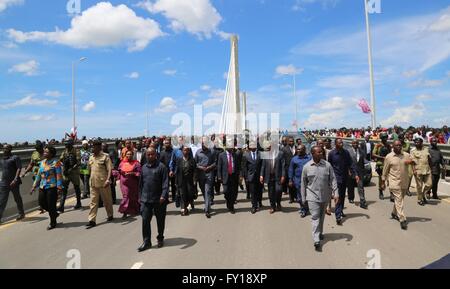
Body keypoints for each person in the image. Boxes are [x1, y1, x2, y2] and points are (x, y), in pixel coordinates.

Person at [300, 146, 338, 252]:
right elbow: (303, 184)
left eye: (322, 152)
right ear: (312, 153)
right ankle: (316, 239)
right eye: (318, 152)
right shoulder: (306, 167)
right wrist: (303, 198)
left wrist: (336, 193)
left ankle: (320, 232)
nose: (321, 153)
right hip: (312, 197)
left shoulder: (327, 165)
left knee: (321, 217)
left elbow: (333, 179)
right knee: (315, 217)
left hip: (325, 196)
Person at [138, 148, 169, 252]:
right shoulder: (143, 168)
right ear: (146, 155)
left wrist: (163, 196)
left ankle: (160, 237)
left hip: (159, 200)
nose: (150, 156)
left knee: (160, 220)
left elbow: (165, 183)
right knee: (145, 220)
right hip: (146, 199)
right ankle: (146, 241)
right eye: (148, 154)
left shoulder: (162, 167)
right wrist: (140, 198)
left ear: (156, 155)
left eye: (152, 154)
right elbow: (141, 184)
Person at [382, 140, 414, 230]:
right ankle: (402, 219)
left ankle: (394, 212)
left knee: (400, 199)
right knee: (399, 199)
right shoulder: (389, 157)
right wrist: (383, 182)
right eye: (397, 145)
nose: (399, 147)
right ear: (393, 146)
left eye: (400, 145)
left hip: (404, 181)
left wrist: (411, 163)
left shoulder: (406, 155)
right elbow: (385, 171)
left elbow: (413, 161)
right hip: (394, 182)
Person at [30, 146, 63, 230]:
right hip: (42, 186)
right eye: (44, 152)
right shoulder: (42, 162)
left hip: (52, 187)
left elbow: (59, 176)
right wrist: (34, 186)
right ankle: (54, 213)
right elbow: (38, 175)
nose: (44, 153)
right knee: (42, 203)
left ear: (51, 154)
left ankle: (53, 222)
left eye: (46, 152)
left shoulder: (56, 162)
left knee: (51, 205)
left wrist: (59, 187)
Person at [327, 138, 357, 225]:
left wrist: (355, 174)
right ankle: (338, 215)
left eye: (342, 143)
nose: (341, 144)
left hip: (344, 178)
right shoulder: (332, 154)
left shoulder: (346, 153)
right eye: (339, 143)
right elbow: (329, 166)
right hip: (336, 179)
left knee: (343, 196)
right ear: (335, 144)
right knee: (338, 196)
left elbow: (350, 164)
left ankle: (341, 210)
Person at [86, 140, 114, 229]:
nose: (92, 148)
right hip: (93, 183)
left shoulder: (105, 156)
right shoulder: (91, 157)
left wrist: (108, 180)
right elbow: (89, 170)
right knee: (93, 202)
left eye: (94, 147)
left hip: (103, 183)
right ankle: (92, 220)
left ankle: (110, 214)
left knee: (107, 200)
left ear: (98, 147)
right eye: (92, 146)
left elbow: (110, 169)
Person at [0, 145, 25, 223]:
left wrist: (15, 179)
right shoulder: (2, 159)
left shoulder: (15, 157)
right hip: (4, 183)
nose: (4, 149)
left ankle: (21, 213)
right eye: (3, 148)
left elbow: (19, 168)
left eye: (6, 148)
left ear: (10, 149)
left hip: (14, 182)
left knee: (17, 198)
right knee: (2, 201)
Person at [113, 150, 141, 220]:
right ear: (125, 155)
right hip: (124, 183)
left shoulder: (136, 163)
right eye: (127, 154)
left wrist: (133, 173)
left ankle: (136, 210)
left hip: (133, 183)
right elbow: (118, 172)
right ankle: (124, 212)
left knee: (134, 197)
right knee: (126, 197)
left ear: (133, 155)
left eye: (130, 154)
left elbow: (140, 173)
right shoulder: (122, 163)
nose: (129, 156)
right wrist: (115, 176)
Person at [260, 143, 285, 214]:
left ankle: (278, 203)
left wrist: (283, 175)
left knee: (278, 190)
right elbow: (263, 166)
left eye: (269, 147)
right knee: (271, 193)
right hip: (269, 176)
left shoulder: (280, 153)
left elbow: (283, 166)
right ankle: (272, 206)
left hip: (278, 176)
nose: (268, 148)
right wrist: (261, 175)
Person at [217, 139, 240, 214]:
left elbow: (238, 166)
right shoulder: (221, 155)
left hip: (233, 176)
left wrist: (240, 175)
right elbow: (219, 166)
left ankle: (231, 206)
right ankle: (228, 201)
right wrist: (219, 176)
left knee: (233, 192)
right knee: (226, 191)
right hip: (225, 176)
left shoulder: (235, 155)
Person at [288, 144, 312, 218]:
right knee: (299, 197)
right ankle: (303, 209)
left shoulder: (310, 158)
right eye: (297, 149)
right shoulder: (294, 159)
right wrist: (290, 180)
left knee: (308, 196)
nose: (298, 151)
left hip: (309, 180)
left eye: (299, 149)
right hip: (298, 180)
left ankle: (306, 208)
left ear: (304, 150)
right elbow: (291, 170)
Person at [58, 139, 82, 212]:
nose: (66, 145)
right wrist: (64, 166)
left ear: (71, 144)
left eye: (67, 144)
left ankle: (78, 202)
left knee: (76, 187)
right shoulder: (64, 151)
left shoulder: (76, 151)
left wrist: (70, 169)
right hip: (66, 173)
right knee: (64, 190)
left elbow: (78, 162)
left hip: (74, 172)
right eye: (65, 144)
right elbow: (60, 160)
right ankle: (61, 206)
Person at [175, 146, 196, 216]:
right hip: (181, 180)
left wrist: (194, 179)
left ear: (189, 151)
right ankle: (184, 209)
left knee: (190, 194)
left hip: (189, 180)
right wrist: (176, 182)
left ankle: (190, 202)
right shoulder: (179, 160)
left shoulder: (192, 160)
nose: (185, 152)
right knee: (182, 194)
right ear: (182, 151)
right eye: (184, 150)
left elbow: (195, 171)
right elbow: (177, 171)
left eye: (187, 150)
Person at [242, 142, 262, 214]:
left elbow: (262, 165)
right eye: (251, 146)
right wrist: (246, 177)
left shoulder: (260, 154)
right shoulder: (246, 155)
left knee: (259, 191)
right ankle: (254, 206)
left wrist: (262, 175)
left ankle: (259, 201)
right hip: (251, 176)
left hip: (259, 176)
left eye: (254, 146)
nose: (253, 147)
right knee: (253, 192)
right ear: (249, 147)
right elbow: (244, 167)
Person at [410, 138, 432, 206]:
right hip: (418, 170)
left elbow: (429, 159)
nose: (416, 143)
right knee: (419, 186)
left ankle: (422, 194)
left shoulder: (426, 149)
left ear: (421, 143)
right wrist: (413, 170)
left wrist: (431, 168)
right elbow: (412, 162)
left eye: (418, 142)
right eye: (415, 142)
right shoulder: (413, 151)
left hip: (427, 170)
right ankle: (420, 199)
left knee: (429, 184)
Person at [347, 140, 368, 209]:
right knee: (351, 186)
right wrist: (348, 170)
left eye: (356, 143)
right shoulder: (348, 151)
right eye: (354, 143)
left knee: (360, 186)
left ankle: (362, 201)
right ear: (351, 144)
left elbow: (363, 161)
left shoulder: (361, 151)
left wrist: (364, 170)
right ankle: (351, 198)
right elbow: (346, 162)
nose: (355, 144)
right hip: (351, 171)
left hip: (359, 172)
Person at [373, 133, 391, 201]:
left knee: (390, 179)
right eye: (384, 138)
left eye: (386, 137)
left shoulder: (388, 145)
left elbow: (390, 153)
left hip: (388, 164)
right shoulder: (378, 145)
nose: (385, 139)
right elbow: (373, 154)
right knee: (381, 179)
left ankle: (391, 193)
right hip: (380, 164)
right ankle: (380, 192)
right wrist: (382, 157)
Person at [160, 139, 177, 206]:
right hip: (165, 172)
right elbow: (160, 162)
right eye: (165, 143)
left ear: (170, 144)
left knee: (174, 185)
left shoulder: (174, 151)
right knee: (166, 186)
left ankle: (174, 197)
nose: (167, 144)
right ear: (164, 144)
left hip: (173, 171)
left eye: (168, 143)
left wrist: (173, 170)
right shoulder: (162, 152)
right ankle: (166, 198)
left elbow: (176, 161)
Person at [281, 137, 296, 203]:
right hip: (288, 169)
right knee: (289, 184)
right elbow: (282, 160)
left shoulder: (297, 148)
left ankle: (296, 196)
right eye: (290, 141)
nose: (291, 142)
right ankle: (291, 198)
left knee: (296, 183)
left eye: (292, 141)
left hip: (296, 168)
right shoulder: (284, 149)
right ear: (287, 142)